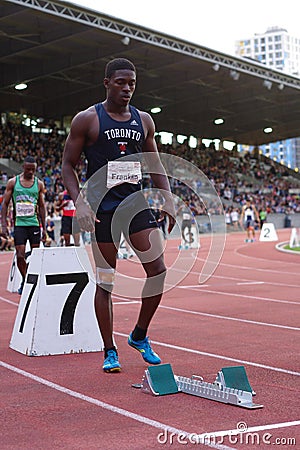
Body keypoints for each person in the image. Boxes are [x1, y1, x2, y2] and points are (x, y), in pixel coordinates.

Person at [62, 58, 176, 373]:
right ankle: (109, 350)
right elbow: (67, 166)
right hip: (103, 211)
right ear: (107, 83)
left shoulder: (144, 121)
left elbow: (154, 163)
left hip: (135, 205)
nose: (127, 89)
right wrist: (80, 202)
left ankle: (139, 335)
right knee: (106, 282)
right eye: (121, 82)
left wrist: (165, 198)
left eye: (132, 84)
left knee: (158, 271)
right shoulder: (87, 120)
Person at [1, 155, 46, 294]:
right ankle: (26, 280)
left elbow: (42, 206)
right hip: (19, 224)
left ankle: (32, 281)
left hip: (34, 224)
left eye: (33, 170)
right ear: (23, 168)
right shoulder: (13, 183)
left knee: (35, 256)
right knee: (20, 256)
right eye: (28, 169)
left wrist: (44, 228)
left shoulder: (39, 184)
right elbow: (5, 204)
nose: (31, 172)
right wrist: (4, 225)